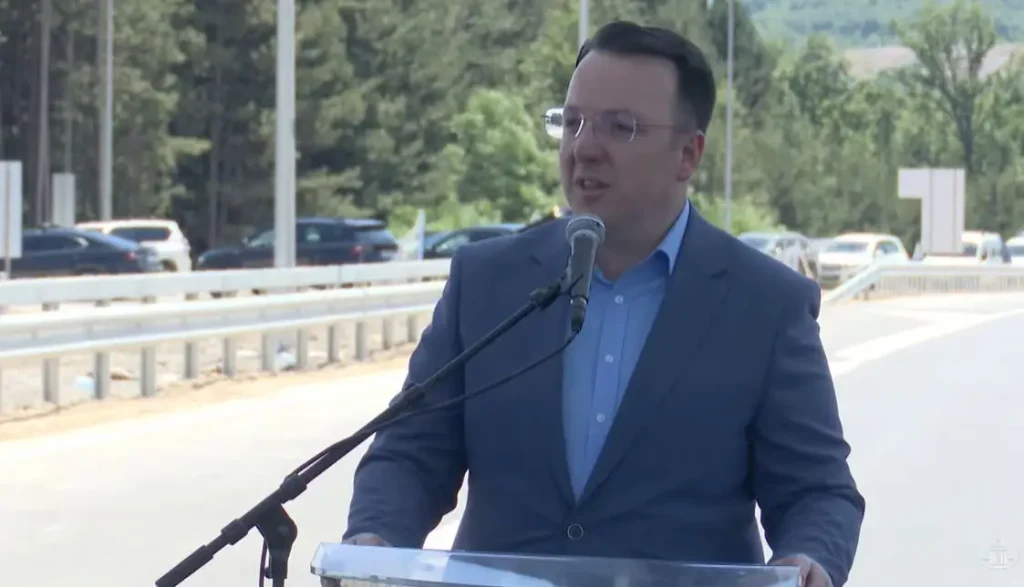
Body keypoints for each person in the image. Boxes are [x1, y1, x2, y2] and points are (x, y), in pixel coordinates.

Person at [343, 20, 865, 587]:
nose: (584, 148)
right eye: (572, 122)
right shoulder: (488, 282)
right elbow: (412, 453)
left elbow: (817, 491)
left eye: (621, 127)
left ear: (687, 155)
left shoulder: (764, 303)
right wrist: (375, 542)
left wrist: (807, 558)